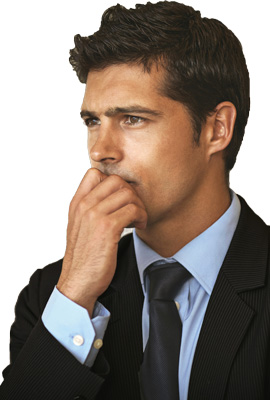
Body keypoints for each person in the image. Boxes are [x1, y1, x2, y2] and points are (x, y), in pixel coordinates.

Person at [0, 1, 269, 399]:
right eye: (93, 121)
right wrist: (75, 294)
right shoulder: (51, 297)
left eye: (132, 119)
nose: (100, 151)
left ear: (217, 129)